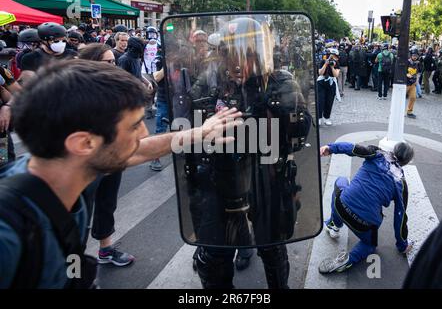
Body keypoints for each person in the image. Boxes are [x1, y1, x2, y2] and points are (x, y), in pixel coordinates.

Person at [0, 59, 242, 288]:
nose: (144, 132)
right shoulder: (8, 233)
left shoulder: (74, 164)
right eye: (134, 125)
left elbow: (138, 150)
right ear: (84, 143)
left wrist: (199, 133)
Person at [172, 17, 312, 289]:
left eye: (244, 56)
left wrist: (267, 105)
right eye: (228, 54)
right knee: (213, 254)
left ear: (259, 54)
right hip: (220, 176)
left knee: (271, 247)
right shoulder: (211, 81)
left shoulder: (280, 82)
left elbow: (300, 132)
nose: (235, 64)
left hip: (265, 176)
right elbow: (186, 122)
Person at [78, 43, 135, 266]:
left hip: (112, 157)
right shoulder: (73, 90)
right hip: (84, 164)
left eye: (114, 61)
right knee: (80, 216)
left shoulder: (113, 86)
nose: (114, 66)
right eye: (108, 62)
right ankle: (74, 265)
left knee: (107, 204)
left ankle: (106, 249)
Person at [318, 141, 414, 274]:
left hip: (341, 206)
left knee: (341, 181)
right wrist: (402, 245)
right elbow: (400, 217)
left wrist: (331, 148)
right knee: (370, 245)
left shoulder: (378, 154)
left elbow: (353, 148)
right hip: (364, 224)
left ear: (393, 150)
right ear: (407, 162)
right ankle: (349, 259)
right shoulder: (401, 183)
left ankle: (334, 224)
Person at [317, 48, 340, 126]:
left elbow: (336, 75)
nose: (332, 58)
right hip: (321, 82)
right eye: (331, 56)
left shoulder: (336, 63)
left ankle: (327, 117)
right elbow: (320, 73)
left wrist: (332, 67)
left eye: (334, 56)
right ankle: (319, 118)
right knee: (320, 101)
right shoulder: (323, 61)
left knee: (329, 101)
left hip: (331, 83)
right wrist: (325, 64)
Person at [406, 49, 420, 119]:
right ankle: (398, 110)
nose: (415, 57)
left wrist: (417, 80)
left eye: (416, 56)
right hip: (406, 83)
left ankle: (409, 112)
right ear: (411, 55)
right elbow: (402, 71)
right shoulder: (407, 62)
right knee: (402, 98)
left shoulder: (417, 63)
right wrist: (406, 74)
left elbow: (417, 73)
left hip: (413, 84)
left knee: (413, 97)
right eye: (414, 55)